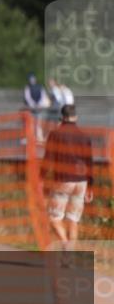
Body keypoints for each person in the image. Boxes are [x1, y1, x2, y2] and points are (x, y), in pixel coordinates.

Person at [41, 104, 94, 264]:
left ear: (62, 117)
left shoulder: (55, 134)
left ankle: (64, 244)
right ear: (75, 117)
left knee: (54, 218)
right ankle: (69, 256)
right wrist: (90, 186)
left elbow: (48, 159)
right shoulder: (84, 136)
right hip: (81, 182)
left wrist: (41, 178)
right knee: (73, 219)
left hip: (63, 180)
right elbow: (89, 162)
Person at [24, 73, 50, 143]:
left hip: (38, 108)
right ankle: (31, 137)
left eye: (33, 79)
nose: (32, 80)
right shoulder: (27, 87)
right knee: (31, 123)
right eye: (31, 79)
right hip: (31, 108)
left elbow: (43, 96)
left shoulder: (40, 87)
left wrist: (38, 104)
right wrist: (34, 105)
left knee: (38, 123)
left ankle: (39, 137)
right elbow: (28, 98)